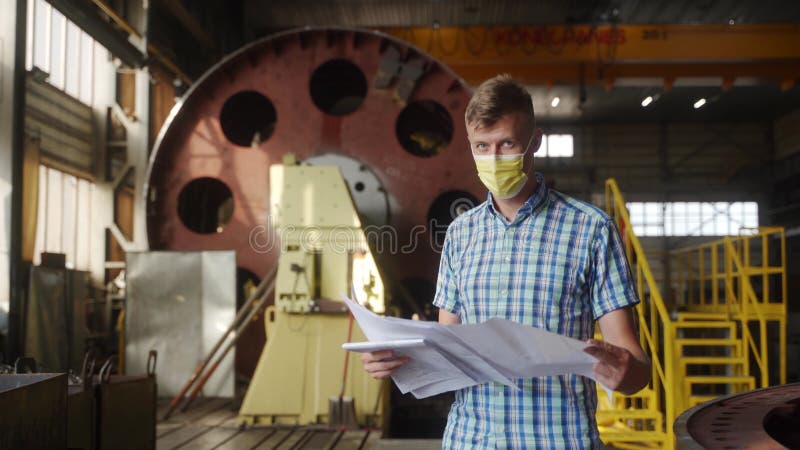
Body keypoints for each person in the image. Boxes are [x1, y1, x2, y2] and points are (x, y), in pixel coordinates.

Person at [361, 74, 650, 449]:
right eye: (482, 146)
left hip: (559, 440)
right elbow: (449, 350)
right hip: (471, 440)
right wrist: (397, 361)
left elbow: (637, 368)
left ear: (535, 142)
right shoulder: (460, 234)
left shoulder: (591, 229)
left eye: (507, 144)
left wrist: (627, 373)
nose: (493, 159)